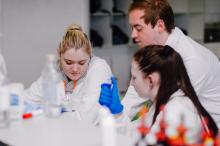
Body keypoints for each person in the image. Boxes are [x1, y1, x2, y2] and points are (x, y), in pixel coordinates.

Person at [101, 0, 220, 127]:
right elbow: (135, 96)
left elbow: (161, 117)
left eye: (138, 28)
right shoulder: (153, 51)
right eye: (132, 28)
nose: (132, 35)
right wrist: (117, 113)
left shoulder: (192, 61)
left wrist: (120, 122)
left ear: (159, 25)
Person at [100, 45, 218, 144]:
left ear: (151, 80)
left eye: (134, 77)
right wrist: (117, 114)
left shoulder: (174, 111)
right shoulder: (163, 103)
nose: (131, 83)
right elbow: (138, 135)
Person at [21, 24, 112, 123]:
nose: (75, 69)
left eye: (81, 63)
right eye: (68, 62)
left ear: (90, 57)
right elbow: (28, 98)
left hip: (94, 133)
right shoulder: (53, 71)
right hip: (61, 131)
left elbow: (86, 119)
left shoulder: (98, 68)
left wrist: (50, 113)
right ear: (60, 56)